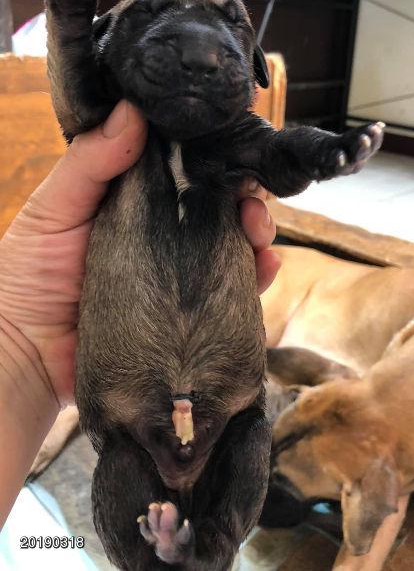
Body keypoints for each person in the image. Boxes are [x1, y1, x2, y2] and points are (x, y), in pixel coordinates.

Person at [0, 101, 280, 527]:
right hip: (137, 386)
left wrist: (17, 343)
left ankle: (199, 543)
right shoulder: (124, 124)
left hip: (190, 386)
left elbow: (283, 165)